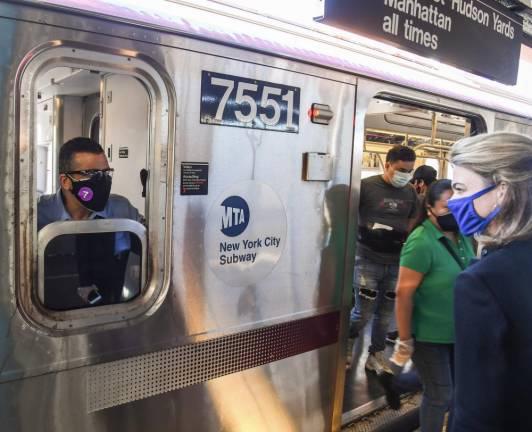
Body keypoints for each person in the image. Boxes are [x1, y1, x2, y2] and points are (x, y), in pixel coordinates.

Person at [447, 132, 532, 432]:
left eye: (459, 188)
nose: (452, 201)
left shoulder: (482, 281)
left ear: (502, 190)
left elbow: (475, 410)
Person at [381, 180, 474, 430]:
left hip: (458, 332)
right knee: (440, 395)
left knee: (454, 390)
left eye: (458, 205)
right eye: (447, 207)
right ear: (430, 208)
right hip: (428, 334)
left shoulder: (463, 234)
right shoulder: (421, 241)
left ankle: (396, 384)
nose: (454, 212)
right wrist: (404, 338)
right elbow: (403, 293)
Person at [38, 137, 142, 309]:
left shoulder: (122, 209)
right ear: (66, 181)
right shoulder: (39, 214)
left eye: (106, 173)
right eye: (92, 174)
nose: (102, 181)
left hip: (112, 304)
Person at [349, 145, 419, 373]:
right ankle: (347, 346)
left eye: (409, 171)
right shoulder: (366, 187)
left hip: (395, 262)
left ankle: (376, 354)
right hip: (367, 259)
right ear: (386, 165)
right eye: (401, 170)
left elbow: (411, 224)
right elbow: (349, 217)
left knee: (386, 315)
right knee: (363, 312)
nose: (405, 176)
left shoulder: (410, 193)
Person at [385, 164, 438, 346]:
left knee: (410, 293)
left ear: (420, 182)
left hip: (424, 253)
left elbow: (413, 227)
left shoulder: (423, 199)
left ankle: (405, 333)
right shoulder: (443, 195)